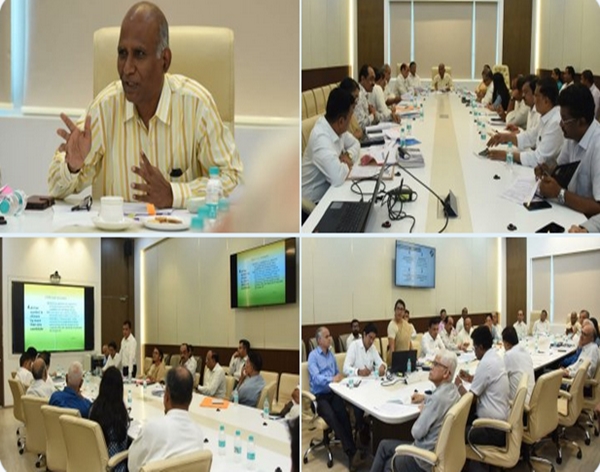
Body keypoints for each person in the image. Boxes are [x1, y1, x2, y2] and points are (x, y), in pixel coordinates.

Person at [48, 2, 242, 209]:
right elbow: (54, 189)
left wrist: (174, 194)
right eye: (122, 54)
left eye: (139, 54)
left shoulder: (196, 106)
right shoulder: (104, 108)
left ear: (164, 61)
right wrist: (72, 166)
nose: (127, 68)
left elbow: (231, 177)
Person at [370, 351, 460, 472]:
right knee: (385, 447)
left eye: (436, 364)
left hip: (422, 459)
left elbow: (416, 432)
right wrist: (426, 398)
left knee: (386, 458)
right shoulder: (453, 391)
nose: (431, 367)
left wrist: (425, 410)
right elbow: (439, 401)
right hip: (441, 453)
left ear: (446, 373)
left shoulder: (436, 400)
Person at [537, 84, 600, 217]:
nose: (560, 124)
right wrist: (547, 171)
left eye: (565, 119)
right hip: (569, 212)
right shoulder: (572, 136)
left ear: (581, 122)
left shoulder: (597, 146)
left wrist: (559, 193)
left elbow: (598, 207)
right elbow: (560, 169)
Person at [128, 366, 204, 471]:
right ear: (191, 399)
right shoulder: (198, 435)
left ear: (166, 395)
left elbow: (132, 465)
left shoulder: (151, 428)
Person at [308, 327, 360, 470]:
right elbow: (317, 379)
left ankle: (352, 452)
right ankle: (351, 452)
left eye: (330, 335)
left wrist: (338, 379)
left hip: (333, 393)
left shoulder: (330, 355)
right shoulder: (313, 356)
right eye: (326, 336)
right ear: (319, 340)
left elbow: (337, 373)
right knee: (333, 417)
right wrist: (332, 379)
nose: (330, 338)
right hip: (319, 397)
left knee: (344, 415)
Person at [487, 77, 563, 167]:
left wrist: (507, 155)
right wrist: (505, 137)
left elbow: (539, 159)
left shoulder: (555, 122)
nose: (534, 100)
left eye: (536, 96)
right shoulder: (547, 116)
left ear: (546, 100)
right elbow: (530, 137)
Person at [301, 87, 359, 205]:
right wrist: (346, 164)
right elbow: (337, 177)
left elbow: (356, 144)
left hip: (332, 193)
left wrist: (348, 155)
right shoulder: (320, 138)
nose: (351, 121)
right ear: (341, 121)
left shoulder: (336, 128)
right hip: (312, 207)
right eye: (350, 117)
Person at [455, 326, 510, 450]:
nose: (474, 351)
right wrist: (470, 378)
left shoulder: (485, 363)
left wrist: (459, 385)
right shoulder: (495, 357)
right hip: (500, 422)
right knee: (464, 419)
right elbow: (488, 380)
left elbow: (469, 400)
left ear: (480, 347)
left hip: (492, 429)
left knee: (453, 432)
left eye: (474, 348)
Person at [343, 323, 386, 444]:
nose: (372, 341)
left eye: (374, 338)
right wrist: (358, 371)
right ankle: (361, 428)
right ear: (364, 335)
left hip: (370, 386)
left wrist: (382, 367)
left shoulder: (373, 348)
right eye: (370, 338)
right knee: (359, 406)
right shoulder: (354, 346)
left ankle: (373, 427)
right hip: (356, 387)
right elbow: (345, 368)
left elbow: (381, 363)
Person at [89, 367, 129, 472]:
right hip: (115, 467)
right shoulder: (119, 414)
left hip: (94, 465)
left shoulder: (93, 408)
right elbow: (123, 444)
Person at [502, 327, 535, 405]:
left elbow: (498, 378)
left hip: (518, 405)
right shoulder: (525, 352)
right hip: (531, 399)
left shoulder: (509, 355)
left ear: (506, 343)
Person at [387, 299, 412, 364]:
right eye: (398, 309)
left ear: (404, 312)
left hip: (406, 359)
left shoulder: (407, 325)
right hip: (396, 360)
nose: (400, 312)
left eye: (402, 309)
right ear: (394, 310)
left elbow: (409, 343)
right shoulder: (392, 325)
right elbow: (392, 349)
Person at [355, 64, 378, 132]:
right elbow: (360, 126)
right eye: (371, 79)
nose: (373, 83)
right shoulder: (358, 96)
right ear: (362, 79)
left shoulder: (365, 94)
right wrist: (372, 115)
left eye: (374, 79)